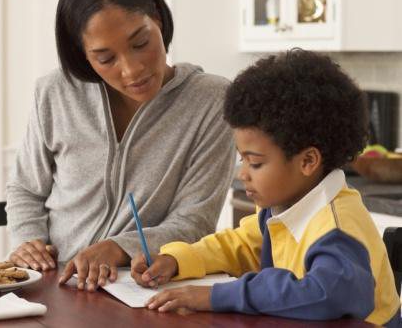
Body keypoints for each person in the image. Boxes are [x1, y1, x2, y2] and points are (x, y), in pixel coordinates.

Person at [5, 0, 235, 292]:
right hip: (56, 284)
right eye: (106, 58)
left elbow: (194, 221)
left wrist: (118, 248)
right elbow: (26, 188)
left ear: (157, 19)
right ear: (83, 54)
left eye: (140, 43)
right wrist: (30, 241)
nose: (132, 70)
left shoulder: (211, 101)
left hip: (141, 288)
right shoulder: (54, 92)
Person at [131, 49, 401, 326]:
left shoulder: (337, 227)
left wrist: (215, 296)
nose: (243, 174)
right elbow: (244, 246)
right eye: (242, 159)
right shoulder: (284, 206)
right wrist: (177, 260)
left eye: (255, 163)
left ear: (307, 160)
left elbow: (326, 294)